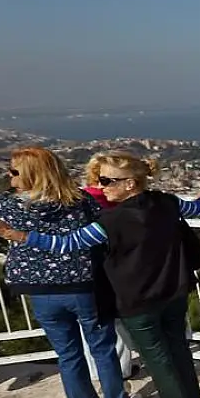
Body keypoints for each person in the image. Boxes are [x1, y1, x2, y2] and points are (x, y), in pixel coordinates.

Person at [0, 151, 200, 398]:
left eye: (106, 180)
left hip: (136, 298)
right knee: (177, 346)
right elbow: (197, 209)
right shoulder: (167, 201)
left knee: (156, 355)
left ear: (129, 183)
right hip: (174, 289)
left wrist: (9, 234)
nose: (99, 187)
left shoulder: (111, 222)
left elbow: (66, 244)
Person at [0, 147, 135, 398]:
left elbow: (0, 225)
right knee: (102, 349)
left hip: (40, 290)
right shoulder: (78, 201)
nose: (8, 176)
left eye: (13, 171)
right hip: (83, 284)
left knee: (68, 354)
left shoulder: (9, 205)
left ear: (31, 174)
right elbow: (101, 227)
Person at [82, 153, 136, 379]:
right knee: (116, 321)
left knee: (92, 324)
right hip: (114, 267)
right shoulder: (112, 204)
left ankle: (98, 372)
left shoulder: (81, 199)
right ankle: (121, 369)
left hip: (86, 269)